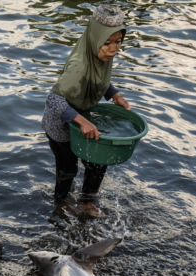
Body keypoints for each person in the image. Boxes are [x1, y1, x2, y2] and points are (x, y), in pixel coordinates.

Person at [41, 5, 131, 217]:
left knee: (98, 163)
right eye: (107, 42)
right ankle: (60, 205)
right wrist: (82, 121)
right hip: (60, 123)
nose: (113, 48)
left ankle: (86, 203)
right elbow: (53, 98)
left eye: (118, 41)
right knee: (67, 170)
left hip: (81, 116)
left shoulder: (102, 58)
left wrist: (114, 94)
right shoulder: (79, 65)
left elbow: (97, 81)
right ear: (94, 40)